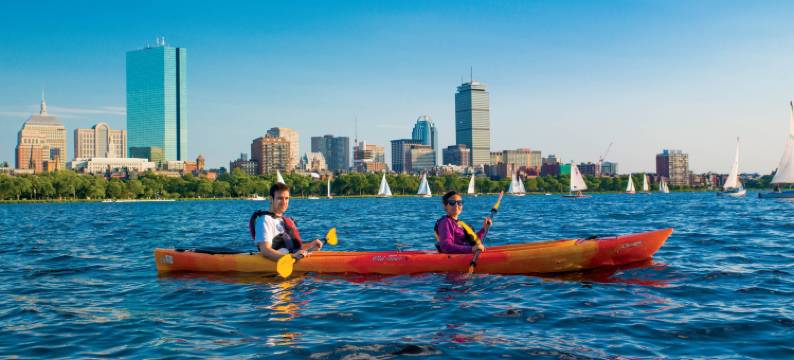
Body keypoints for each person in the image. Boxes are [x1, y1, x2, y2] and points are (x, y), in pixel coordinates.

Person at [248, 183, 323, 261]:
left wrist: (310, 246)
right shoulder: (265, 220)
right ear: (271, 199)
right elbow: (265, 250)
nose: (284, 202)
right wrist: (292, 257)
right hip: (278, 267)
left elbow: (292, 247)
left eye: (286, 198)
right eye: (280, 198)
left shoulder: (285, 220)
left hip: (291, 260)